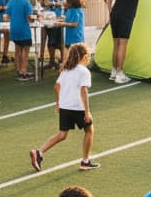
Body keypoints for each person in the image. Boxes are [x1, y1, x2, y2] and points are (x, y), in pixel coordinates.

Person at [30, 43, 99, 172]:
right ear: (84, 56)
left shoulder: (66, 70)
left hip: (65, 107)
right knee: (89, 131)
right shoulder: (84, 71)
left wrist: (58, 103)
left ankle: (39, 152)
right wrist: (87, 112)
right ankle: (85, 161)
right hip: (77, 107)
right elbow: (84, 91)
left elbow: (56, 86)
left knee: (62, 134)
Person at [107, 0, 146, 83]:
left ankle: (113, 72)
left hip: (116, 16)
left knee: (117, 44)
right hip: (123, 17)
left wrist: (111, 13)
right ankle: (119, 73)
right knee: (121, 45)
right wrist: (110, 13)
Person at [6, 0, 34, 82]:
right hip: (24, 29)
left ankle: (18, 70)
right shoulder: (26, 2)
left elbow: (7, 16)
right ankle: (23, 72)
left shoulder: (11, 2)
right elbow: (29, 17)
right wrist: (34, 18)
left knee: (17, 50)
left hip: (14, 29)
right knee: (25, 52)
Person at [38, 0, 66, 71]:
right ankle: (51, 60)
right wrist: (44, 3)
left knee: (61, 42)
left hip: (58, 21)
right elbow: (41, 3)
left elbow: (65, 3)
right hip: (48, 21)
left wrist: (59, 2)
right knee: (51, 41)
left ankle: (62, 61)